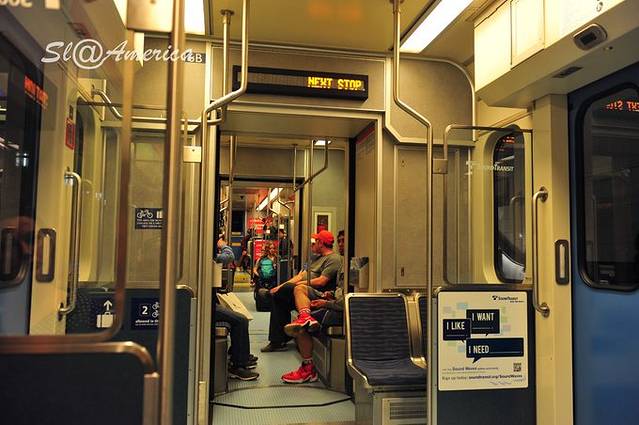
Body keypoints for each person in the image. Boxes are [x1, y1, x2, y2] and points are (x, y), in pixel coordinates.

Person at [261, 230, 342, 352]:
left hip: (314, 292)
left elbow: (321, 281)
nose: (312, 245)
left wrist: (296, 285)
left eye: (315, 242)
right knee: (279, 299)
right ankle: (277, 341)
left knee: (284, 291)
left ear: (321, 243)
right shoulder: (313, 259)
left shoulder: (333, 259)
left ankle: (268, 296)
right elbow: (300, 276)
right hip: (300, 290)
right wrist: (279, 287)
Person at [214, 236, 259, 381]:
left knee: (237, 314)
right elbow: (229, 256)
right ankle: (238, 365)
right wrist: (222, 245)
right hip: (208, 305)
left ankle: (241, 355)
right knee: (240, 320)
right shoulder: (207, 252)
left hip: (211, 300)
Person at [281, 287, 344, 383]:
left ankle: (308, 370)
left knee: (300, 326)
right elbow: (342, 290)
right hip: (335, 298)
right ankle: (305, 316)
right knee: (300, 289)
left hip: (341, 310)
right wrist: (331, 293)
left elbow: (349, 300)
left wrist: (326, 303)